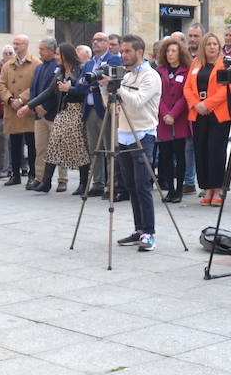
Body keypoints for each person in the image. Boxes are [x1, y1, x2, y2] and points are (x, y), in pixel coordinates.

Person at [100, 35, 161, 251]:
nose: (123, 55)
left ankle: (150, 233)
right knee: (131, 185)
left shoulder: (150, 76)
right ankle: (139, 229)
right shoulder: (125, 76)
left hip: (143, 134)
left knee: (143, 184)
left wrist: (115, 87)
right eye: (122, 51)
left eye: (127, 51)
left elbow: (136, 102)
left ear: (140, 53)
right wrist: (104, 88)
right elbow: (111, 105)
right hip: (124, 134)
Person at [33, 43, 91, 194]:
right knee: (53, 144)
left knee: (79, 147)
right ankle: (46, 182)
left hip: (77, 112)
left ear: (66, 55)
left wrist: (69, 89)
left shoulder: (81, 69)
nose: (56, 57)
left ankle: (83, 184)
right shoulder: (60, 72)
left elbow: (84, 91)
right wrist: (29, 105)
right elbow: (49, 91)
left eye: (58, 54)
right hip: (63, 112)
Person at [185, 33, 231, 206]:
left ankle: (218, 188)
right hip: (198, 113)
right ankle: (206, 187)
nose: (213, 47)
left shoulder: (225, 64)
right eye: (209, 44)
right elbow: (188, 87)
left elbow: (229, 87)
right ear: (203, 47)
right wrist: (196, 104)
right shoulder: (196, 63)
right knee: (201, 150)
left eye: (215, 44)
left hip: (218, 114)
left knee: (216, 150)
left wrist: (208, 104)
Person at [81, 30, 124, 198]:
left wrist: (93, 84)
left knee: (109, 148)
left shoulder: (113, 59)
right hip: (90, 109)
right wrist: (91, 83)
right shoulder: (89, 63)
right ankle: (97, 183)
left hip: (106, 108)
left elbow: (113, 81)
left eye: (99, 40)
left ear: (107, 43)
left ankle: (111, 184)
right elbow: (82, 83)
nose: (95, 43)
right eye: (93, 40)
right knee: (94, 148)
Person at [154, 36, 191, 203]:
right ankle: (169, 189)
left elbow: (185, 95)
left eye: (174, 51)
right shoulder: (159, 71)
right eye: (168, 51)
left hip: (180, 118)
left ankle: (179, 189)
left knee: (180, 155)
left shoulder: (186, 70)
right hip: (163, 120)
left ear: (180, 53)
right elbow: (157, 94)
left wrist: (174, 114)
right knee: (165, 156)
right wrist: (164, 113)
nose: (170, 54)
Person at [0, 34, 39, 186]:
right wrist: (10, 99)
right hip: (12, 110)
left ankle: (32, 174)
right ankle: (15, 174)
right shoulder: (7, 65)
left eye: (19, 44)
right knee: (14, 144)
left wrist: (22, 99)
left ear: (27, 45)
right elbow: (1, 85)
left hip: (28, 109)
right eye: (14, 43)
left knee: (31, 144)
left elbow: (36, 85)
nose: (16, 46)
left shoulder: (36, 63)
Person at [28, 38, 61, 191]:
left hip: (53, 113)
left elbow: (54, 91)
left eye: (42, 49)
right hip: (39, 115)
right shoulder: (39, 67)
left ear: (51, 50)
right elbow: (33, 88)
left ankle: (63, 179)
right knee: (40, 148)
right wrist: (36, 106)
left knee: (59, 147)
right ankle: (40, 178)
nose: (39, 52)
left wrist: (46, 107)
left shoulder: (58, 67)